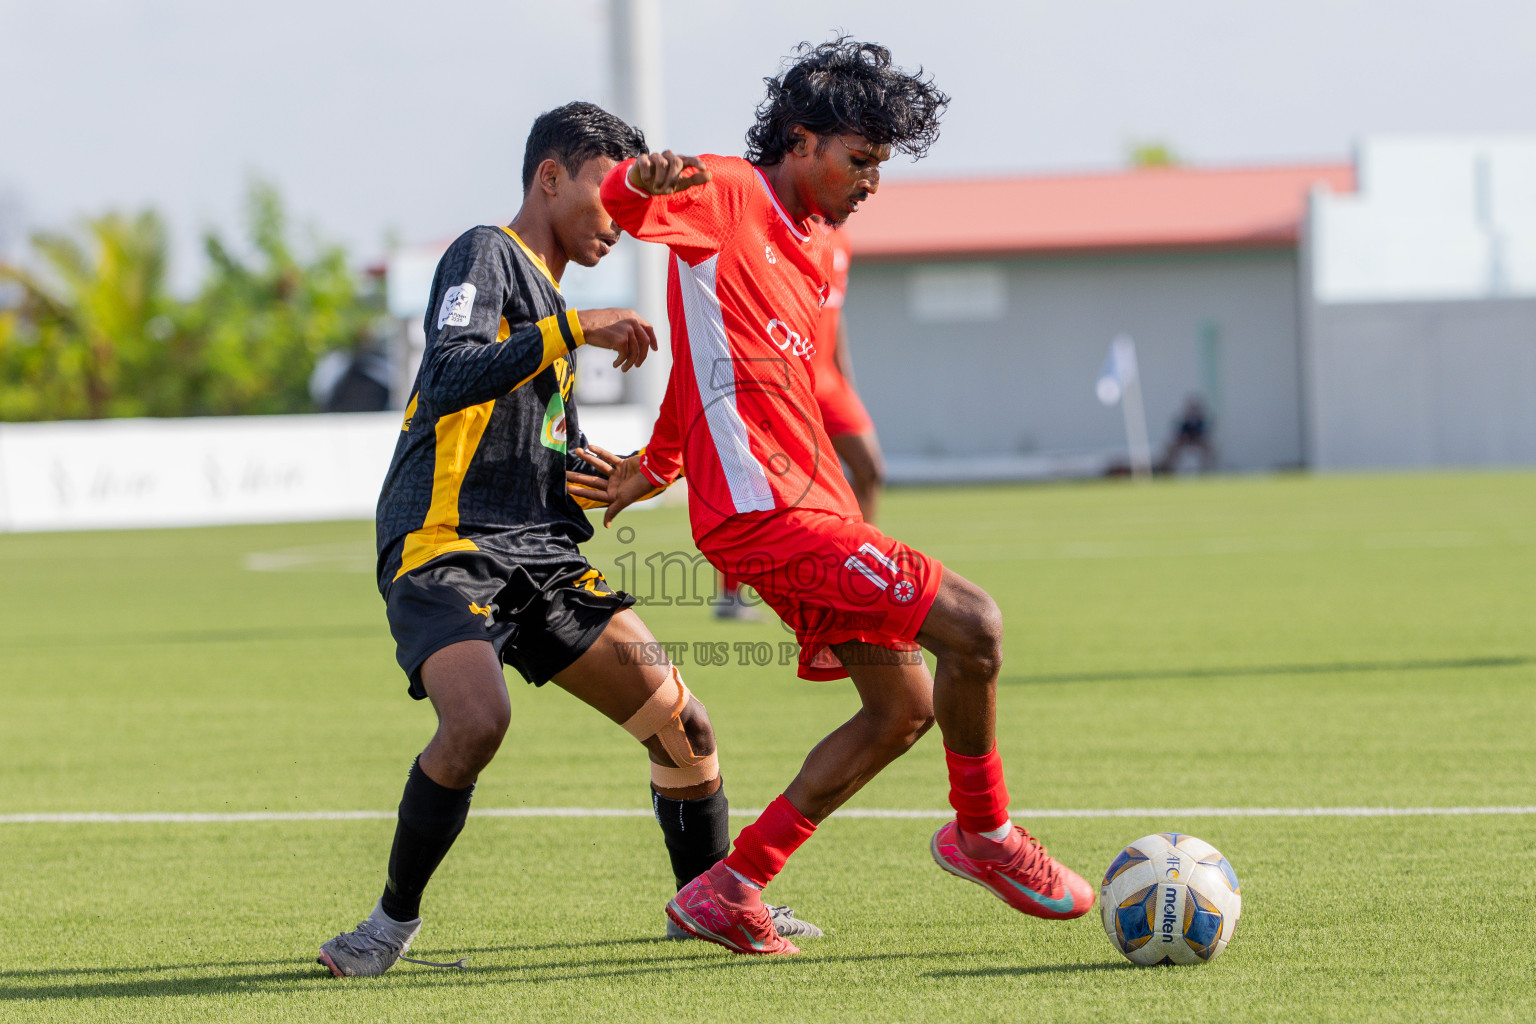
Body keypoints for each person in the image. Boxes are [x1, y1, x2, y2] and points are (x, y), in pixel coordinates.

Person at [568, 40, 1094, 957]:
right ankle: (984, 834)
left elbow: (706, 374)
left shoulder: (820, 250)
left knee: (904, 709)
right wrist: (633, 183)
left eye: (881, 166)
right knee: (977, 624)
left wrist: (653, 467)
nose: (871, 184)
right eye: (860, 162)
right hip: (765, 516)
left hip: (816, 509)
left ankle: (728, 889)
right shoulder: (726, 190)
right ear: (802, 142)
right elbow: (628, 199)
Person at [317, 102, 818, 978]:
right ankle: (387, 927)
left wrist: (595, 471)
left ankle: (706, 902)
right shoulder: (487, 252)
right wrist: (577, 328)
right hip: (445, 545)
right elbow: (445, 374)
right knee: (478, 721)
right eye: (606, 191)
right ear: (551, 177)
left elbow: (523, 436)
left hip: (538, 554)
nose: (620, 218)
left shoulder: (549, 303)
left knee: (685, 728)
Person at [810, 219, 885, 524]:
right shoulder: (788, 224)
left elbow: (835, 313)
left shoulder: (841, 239)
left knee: (870, 470)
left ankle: (861, 564)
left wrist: (845, 377)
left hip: (828, 380)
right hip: (790, 379)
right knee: (790, 493)